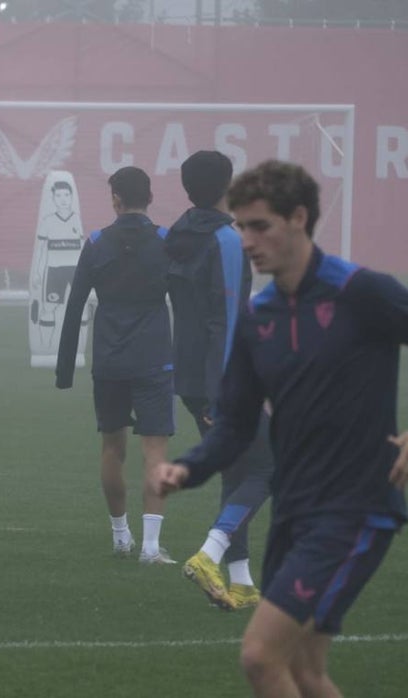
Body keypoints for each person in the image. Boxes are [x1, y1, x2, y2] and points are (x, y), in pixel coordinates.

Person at [150, 159, 408, 697]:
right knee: (303, 671)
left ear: (298, 218)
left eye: (259, 225)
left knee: (261, 658)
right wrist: (186, 468)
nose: (246, 239)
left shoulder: (363, 293)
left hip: (355, 507)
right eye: (240, 225)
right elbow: (235, 426)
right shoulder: (260, 316)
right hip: (295, 510)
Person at [165, 150, 273, 609]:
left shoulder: (174, 235)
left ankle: (242, 581)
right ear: (227, 187)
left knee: (238, 468)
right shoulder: (227, 241)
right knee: (273, 464)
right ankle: (210, 553)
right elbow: (225, 321)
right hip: (219, 378)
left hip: (188, 374)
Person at [56, 165, 175, 564]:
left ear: (115, 200)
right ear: (150, 199)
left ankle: (121, 536)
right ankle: (151, 547)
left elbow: (75, 307)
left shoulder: (96, 242)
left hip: (109, 356)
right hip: (154, 356)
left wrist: (64, 370)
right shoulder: (165, 241)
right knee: (155, 450)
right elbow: (189, 299)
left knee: (112, 447)